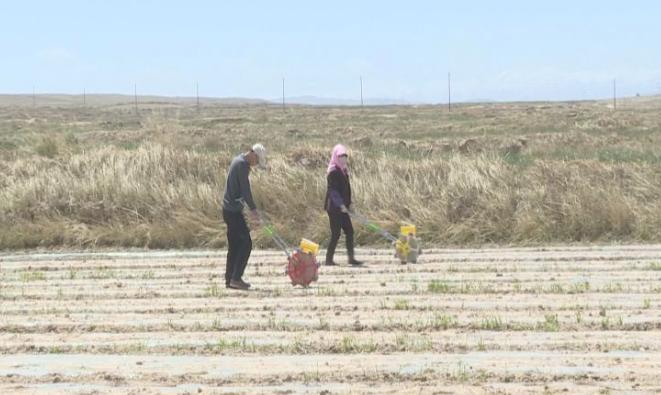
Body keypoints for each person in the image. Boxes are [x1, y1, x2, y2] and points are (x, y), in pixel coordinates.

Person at [222, 143, 266, 290]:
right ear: (253, 154)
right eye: (257, 161)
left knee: (234, 246)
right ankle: (236, 278)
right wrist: (253, 210)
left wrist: (247, 208)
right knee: (246, 243)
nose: (256, 164)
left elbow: (239, 191)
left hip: (229, 210)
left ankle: (229, 279)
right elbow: (245, 190)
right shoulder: (242, 165)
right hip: (233, 212)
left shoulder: (238, 160)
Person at [324, 144, 363, 267]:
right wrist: (340, 204)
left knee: (349, 231)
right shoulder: (333, 172)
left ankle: (351, 259)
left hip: (344, 208)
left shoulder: (344, 170)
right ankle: (328, 260)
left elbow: (347, 190)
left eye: (345, 156)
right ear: (336, 156)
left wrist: (349, 204)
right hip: (334, 208)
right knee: (336, 233)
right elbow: (333, 191)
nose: (343, 158)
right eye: (341, 156)